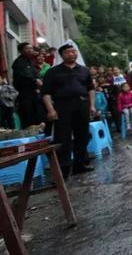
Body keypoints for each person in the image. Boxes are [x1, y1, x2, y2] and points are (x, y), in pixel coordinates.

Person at [42, 44, 95, 178]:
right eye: (68, 52)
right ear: (62, 55)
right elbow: (46, 93)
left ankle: (80, 164)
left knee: (82, 135)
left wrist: (92, 105)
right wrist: (50, 110)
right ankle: (63, 168)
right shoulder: (53, 72)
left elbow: (91, 89)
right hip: (62, 105)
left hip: (82, 104)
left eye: (73, 52)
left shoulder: (84, 70)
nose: (72, 54)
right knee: (63, 137)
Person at [11, 42, 42, 128]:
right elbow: (24, 76)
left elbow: (36, 75)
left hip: (34, 94)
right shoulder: (19, 62)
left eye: (31, 48)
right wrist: (35, 80)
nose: (30, 50)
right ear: (21, 51)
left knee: (37, 117)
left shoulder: (30, 62)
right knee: (28, 118)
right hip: (25, 95)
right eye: (27, 48)